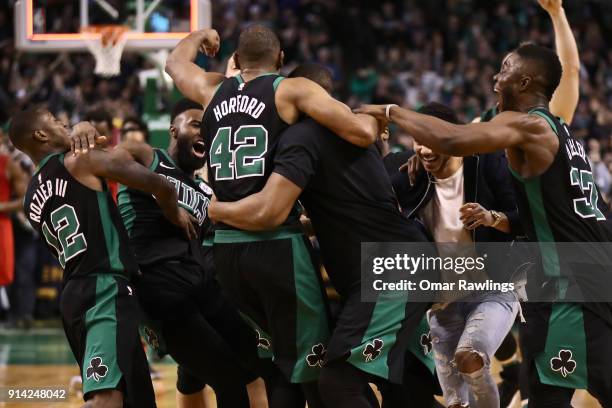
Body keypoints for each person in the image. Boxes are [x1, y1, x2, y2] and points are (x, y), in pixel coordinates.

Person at [356, 42, 612, 407]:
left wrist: (390, 110)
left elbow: (453, 138)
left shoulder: (526, 125)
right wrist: (419, 154)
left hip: (571, 284)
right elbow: (455, 142)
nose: (495, 75)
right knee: (542, 390)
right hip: (583, 273)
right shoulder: (559, 130)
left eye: (505, 67)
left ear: (524, 82)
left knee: (559, 387)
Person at [165, 24, 380, 407]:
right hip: (275, 246)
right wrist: (378, 117)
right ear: (280, 59)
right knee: (314, 367)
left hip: (227, 253)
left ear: (236, 60)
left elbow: (174, 63)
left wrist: (201, 36)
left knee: (276, 367)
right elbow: (361, 133)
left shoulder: (212, 92)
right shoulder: (290, 89)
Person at [209, 63, 437, 408]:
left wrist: (216, 210)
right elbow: (343, 208)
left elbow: (267, 212)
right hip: (402, 261)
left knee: (338, 383)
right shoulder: (351, 124)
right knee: (405, 391)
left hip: (389, 270)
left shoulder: (300, 138)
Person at [74, 99, 266, 408]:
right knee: (227, 378)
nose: (204, 131)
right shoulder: (146, 155)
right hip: (157, 285)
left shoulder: (205, 190)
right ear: (173, 130)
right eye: (195, 124)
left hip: (199, 283)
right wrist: (81, 129)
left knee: (256, 364)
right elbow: (94, 161)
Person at [8, 107, 195, 407]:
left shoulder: (31, 195)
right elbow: (158, 184)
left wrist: (85, 130)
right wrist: (176, 213)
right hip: (104, 288)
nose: (64, 122)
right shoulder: (80, 160)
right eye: (57, 121)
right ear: (42, 134)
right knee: (105, 399)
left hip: (73, 297)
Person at [395, 102, 523, 407]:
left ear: (451, 136)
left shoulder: (487, 163)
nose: (424, 150)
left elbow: (522, 216)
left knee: (470, 358)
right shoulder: (405, 173)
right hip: (442, 302)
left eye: (432, 140)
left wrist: (492, 217)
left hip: (493, 289)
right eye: (418, 140)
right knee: (455, 403)